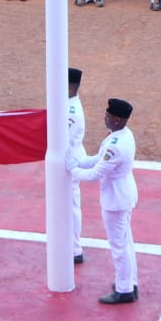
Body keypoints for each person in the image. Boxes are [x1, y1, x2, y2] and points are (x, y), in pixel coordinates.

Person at [67, 97, 138, 304]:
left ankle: (124, 290)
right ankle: (130, 283)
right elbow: (98, 159)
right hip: (124, 193)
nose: (104, 118)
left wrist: (72, 170)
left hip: (116, 199)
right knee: (126, 242)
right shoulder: (123, 135)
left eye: (107, 115)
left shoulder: (115, 145)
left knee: (119, 246)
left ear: (116, 119)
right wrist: (78, 162)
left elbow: (95, 173)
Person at [67, 67, 87, 265]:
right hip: (69, 159)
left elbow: (60, 138)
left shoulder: (71, 111)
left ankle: (74, 248)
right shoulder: (67, 104)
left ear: (71, 87)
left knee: (71, 206)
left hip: (71, 162)